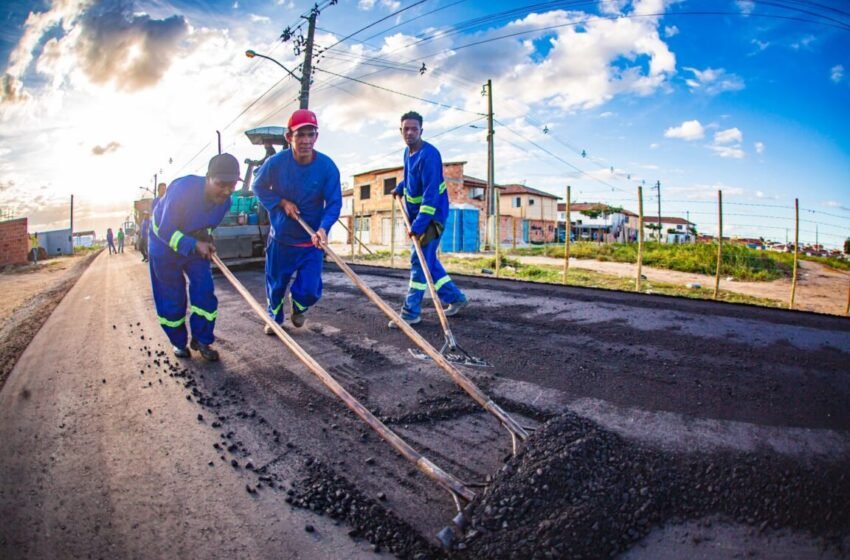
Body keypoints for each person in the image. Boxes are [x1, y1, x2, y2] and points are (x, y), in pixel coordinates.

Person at [253, 109, 341, 332]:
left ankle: (299, 306)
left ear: (316, 137)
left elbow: (333, 203)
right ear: (288, 137)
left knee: (310, 289)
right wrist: (282, 202)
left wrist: (323, 229)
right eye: (300, 135)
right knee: (276, 285)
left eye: (310, 134)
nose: (306, 141)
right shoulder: (275, 163)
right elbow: (258, 186)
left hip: (311, 241)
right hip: (282, 239)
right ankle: (275, 317)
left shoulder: (327, 167)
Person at [148, 153, 239, 360]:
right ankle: (178, 342)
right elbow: (164, 230)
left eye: (231, 185)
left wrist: (207, 241)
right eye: (221, 183)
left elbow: (207, 227)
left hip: (194, 245)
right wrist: (194, 243)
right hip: (163, 245)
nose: (226, 190)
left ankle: (202, 339)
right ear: (208, 177)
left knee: (205, 290)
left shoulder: (225, 202)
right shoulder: (182, 190)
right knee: (172, 296)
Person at [389, 110, 469, 328]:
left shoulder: (430, 155)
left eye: (414, 128)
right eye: (406, 128)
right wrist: (399, 188)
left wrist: (418, 226)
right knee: (428, 262)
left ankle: (410, 312)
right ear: (401, 131)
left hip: (433, 217)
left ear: (421, 131)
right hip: (419, 216)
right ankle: (456, 298)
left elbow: (431, 195)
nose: (410, 132)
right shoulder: (408, 153)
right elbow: (410, 178)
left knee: (419, 261)